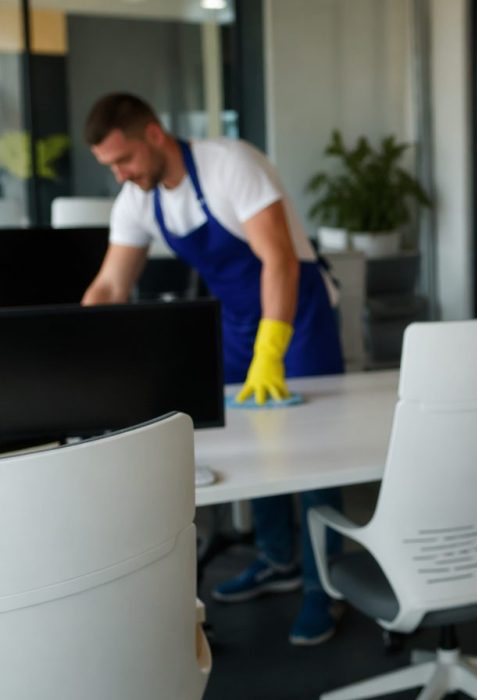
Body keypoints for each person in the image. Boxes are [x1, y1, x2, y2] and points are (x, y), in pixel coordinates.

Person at [82, 93, 346, 645]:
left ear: (154, 134)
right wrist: (76, 345)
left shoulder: (230, 165)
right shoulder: (139, 198)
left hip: (296, 314)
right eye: (110, 167)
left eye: (123, 160)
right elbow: (111, 284)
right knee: (257, 443)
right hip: (237, 322)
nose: (120, 176)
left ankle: (328, 587)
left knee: (317, 455)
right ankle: (279, 561)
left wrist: (272, 350)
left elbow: (277, 257)